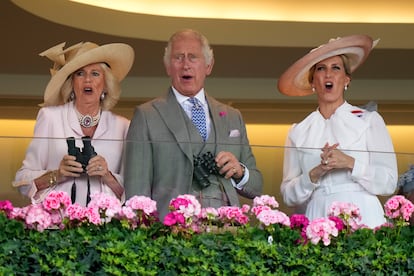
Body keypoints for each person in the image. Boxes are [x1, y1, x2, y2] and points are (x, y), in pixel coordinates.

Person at [124, 29, 263, 219]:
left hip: (226, 234)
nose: (185, 65)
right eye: (178, 58)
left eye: (193, 57)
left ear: (208, 66)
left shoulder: (232, 116)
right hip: (171, 234)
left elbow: (256, 186)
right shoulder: (147, 116)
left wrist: (240, 172)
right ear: (167, 67)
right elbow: (136, 192)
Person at [277, 35, 398, 228]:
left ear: (346, 80)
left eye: (336, 68)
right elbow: (289, 196)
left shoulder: (369, 120)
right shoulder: (298, 131)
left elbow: (389, 182)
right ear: (313, 82)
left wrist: (350, 163)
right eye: (321, 69)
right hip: (318, 216)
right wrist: (315, 174)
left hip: (364, 214)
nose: (328, 75)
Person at [13, 41, 134, 206]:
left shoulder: (123, 126)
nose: (88, 80)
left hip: (106, 225)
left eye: (95, 73)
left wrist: (107, 175)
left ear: (106, 85)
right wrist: (57, 174)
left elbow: (134, 191)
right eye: (80, 73)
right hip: (57, 222)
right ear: (71, 83)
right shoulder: (50, 118)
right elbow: (21, 181)